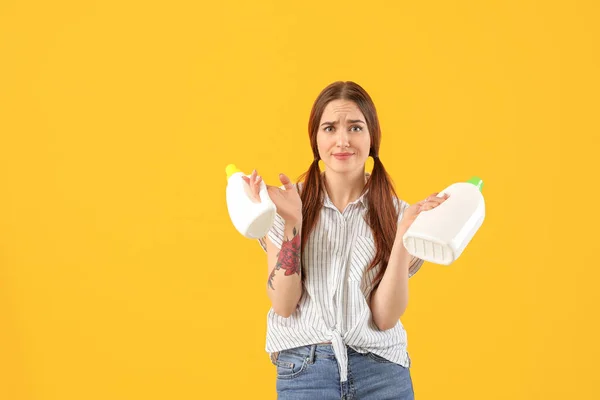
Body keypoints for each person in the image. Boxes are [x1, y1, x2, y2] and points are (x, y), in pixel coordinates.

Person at [243, 81, 449, 399]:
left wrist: (403, 238)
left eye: (355, 127)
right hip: (305, 374)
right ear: (315, 138)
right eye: (329, 128)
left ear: (372, 137)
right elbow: (284, 305)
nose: (343, 140)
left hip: (382, 375)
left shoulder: (400, 215)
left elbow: (385, 317)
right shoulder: (285, 206)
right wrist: (293, 221)